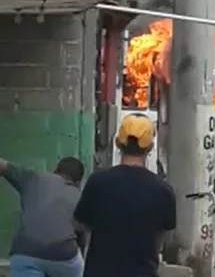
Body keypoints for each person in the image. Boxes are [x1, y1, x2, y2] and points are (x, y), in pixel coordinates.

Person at [74, 113, 176, 277]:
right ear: (149, 147)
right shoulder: (163, 191)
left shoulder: (97, 182)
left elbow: (80, 224)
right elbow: (163, 237)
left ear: (118, 143)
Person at [0, 156, 85, 277]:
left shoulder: (33, 177)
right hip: (62, 257)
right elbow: (82, 232)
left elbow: (2, 165)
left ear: (55, 170)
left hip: (24, 252)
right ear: (78, 182)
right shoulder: (78, 195)